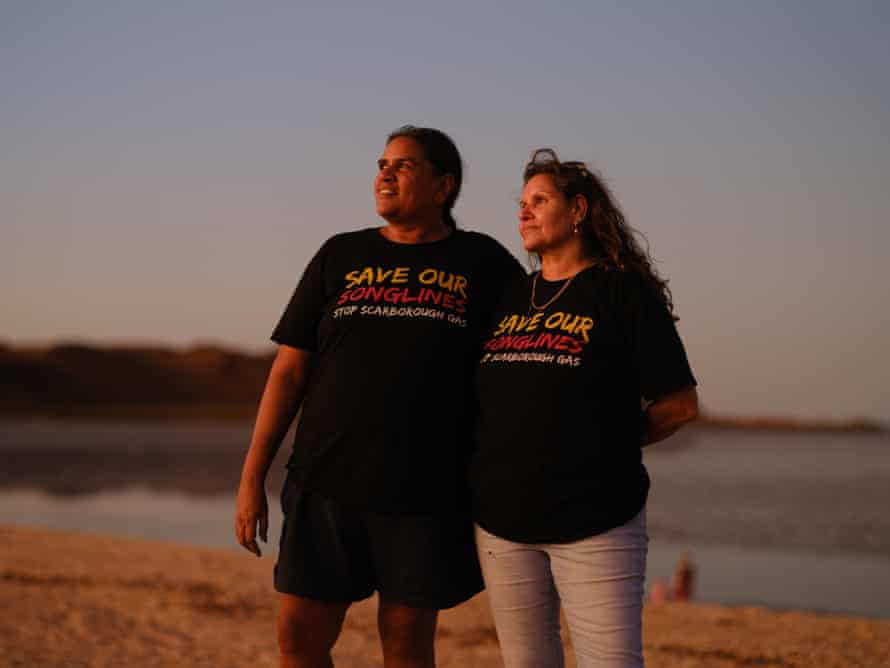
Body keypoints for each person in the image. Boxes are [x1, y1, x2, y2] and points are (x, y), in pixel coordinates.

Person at [235, 125, 523, 668]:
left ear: (443, 186)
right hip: (324, 480)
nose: (385, 172)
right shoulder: (340, 254)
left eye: (404, 165)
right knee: (298, 640)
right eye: (382, 163)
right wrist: (253, 476)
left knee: (407, 644)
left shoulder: (483, 262)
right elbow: (289, 372)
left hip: (426, 489)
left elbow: (528, 351)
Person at [470, 148, 699, 667]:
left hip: (596, 518)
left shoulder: (622, 293)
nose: (524, 212)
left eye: (540, 200)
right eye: (522, 202)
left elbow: (680, 404)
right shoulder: (509, 296)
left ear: (578, 211)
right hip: (502, 522)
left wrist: (605, 439)